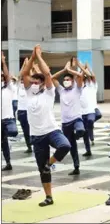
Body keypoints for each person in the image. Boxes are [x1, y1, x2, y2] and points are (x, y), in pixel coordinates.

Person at [21, 45, 71, 206]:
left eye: (36, 82)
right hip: (36, 136)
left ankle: (49, 163)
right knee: (42, 171)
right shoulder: (29, 93)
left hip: (51, 130)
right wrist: (32, 57)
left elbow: (48, 74)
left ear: (43, 84)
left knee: (65, 146)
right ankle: (49, 197)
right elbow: (24, 74)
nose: (33, 84)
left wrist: (39, 57)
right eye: (32, 81)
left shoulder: (49, 93)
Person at [51, 60, 85, 175]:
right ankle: (76, 167)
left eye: (68, 79)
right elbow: (53, 78)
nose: (65, 81)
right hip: (65, 123)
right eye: (64, 80)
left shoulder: (77, 89)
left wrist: (70, 70)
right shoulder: (61, 90)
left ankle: (77, 135)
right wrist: (64, 70)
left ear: (72, 81)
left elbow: (80, 76)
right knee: (71, 147)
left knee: (80, 130)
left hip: (76, 119)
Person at [1, 51, 18, 171]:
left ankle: (6, 136)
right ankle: (8, 163)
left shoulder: (9, 87)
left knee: (13, 132)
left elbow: (7, 75)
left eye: (3, 77)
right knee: (3, 143)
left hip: (9, 120)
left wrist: (3, 62)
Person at [79, 63, 96, 156]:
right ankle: (88, 150)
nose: (84, 80)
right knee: (85, 133)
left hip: (91, 111)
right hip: (82, 113)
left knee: (90, 120)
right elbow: (78, 77)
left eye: (85, 79)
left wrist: (85, 67)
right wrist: (81, 70)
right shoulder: (79, 88)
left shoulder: (92, 85)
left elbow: (91, 76)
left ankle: (90, 129)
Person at [17, 58, 32, 153]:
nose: (22, 81)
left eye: (24, 80)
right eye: (22, 80)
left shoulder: (29, 86)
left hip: (29, 111)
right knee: (25, 131)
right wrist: (23, 65)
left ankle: (34, 144)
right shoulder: (19, 86)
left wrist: (28, 65)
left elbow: (29, 75)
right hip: (21, 112)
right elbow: (19, 76)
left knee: (31, 129)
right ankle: (29, 146)